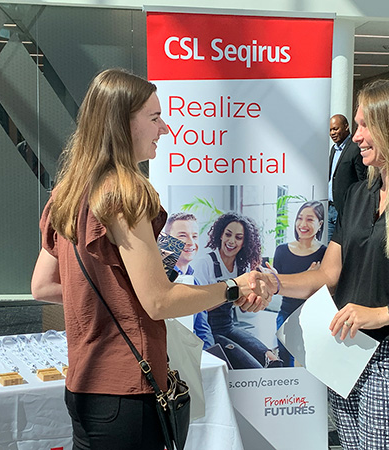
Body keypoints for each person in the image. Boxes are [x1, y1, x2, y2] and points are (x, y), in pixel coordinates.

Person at [30, 69, 269, 450]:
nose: (166, 129)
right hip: (128, 391)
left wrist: (118, 296)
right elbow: (158, 301)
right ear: (121, 123)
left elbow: (42, 286)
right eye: (155, 118)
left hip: (85, 386)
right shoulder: (126, 194)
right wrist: (233, 288)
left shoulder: (66, 192)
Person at [251, 79, 389, 449]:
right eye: (356, 125)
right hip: (345, 356)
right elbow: (328, 274)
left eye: (364, 125)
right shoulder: (360, 194)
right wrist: (274, 284)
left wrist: (385, 314)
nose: (356, 136)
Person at [193, 212, 283, 369]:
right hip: (208, 332)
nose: (231, 241)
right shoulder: (205, 263)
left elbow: (244, 306)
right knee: (253, 367)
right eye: (228, 234)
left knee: (272, 359)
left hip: (228, 327)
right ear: (220, 235)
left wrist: (263, 288)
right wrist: (232, 293)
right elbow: (198, 307)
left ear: (244, 242)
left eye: (238, 237)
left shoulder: (243, 266)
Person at [273, 200, 326, 366]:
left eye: (310, 219)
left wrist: (313, 281)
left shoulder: (326, 253)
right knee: (285, 363)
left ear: (320, 224)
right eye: (300, 218)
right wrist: (308, 277)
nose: (303, 224)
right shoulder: (281, 250)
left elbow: (327, 291)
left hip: (313, 318)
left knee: (309, 364)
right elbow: (278, 287)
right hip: (286, 315)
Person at [157, 212, 214, 348]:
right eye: (182, 236)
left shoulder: (195, 282)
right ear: (167, 241)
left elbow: (203, 329)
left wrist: (209, 355)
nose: (191, 242)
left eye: (194, 236)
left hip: (194, 354)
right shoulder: (159, 279)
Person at [328, 114, 367, 241]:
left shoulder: (355, 148)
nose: (332, 133)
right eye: (330, 130)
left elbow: (363, 180)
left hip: (346, 211)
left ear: (346, 127)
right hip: (330, 210)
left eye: (335, 129)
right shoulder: (333, 149)